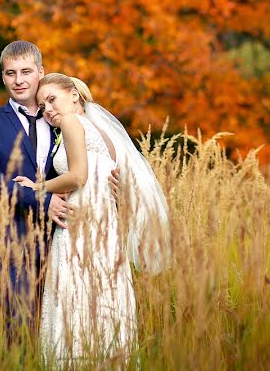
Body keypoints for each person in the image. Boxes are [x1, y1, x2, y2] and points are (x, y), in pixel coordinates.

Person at [14, 73, 171, 366]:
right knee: (103, 308)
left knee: (74, 307)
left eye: (52, 99)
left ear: (74, 94)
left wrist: (36, 187)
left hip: (79, 229)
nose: (48, 109)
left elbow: (78, 177)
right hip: (105, 231)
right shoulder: (103, 133)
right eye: (42, 105)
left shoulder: (73, 123)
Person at [0, 41, 77, 341]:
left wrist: (107, 177)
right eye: (10, 73)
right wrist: (42, 201)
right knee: (20, 329)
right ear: (3, 77)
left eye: (26, 72)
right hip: (10, 238)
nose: (19, 80)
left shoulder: (62, 119)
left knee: (57, 333)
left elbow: (83, 163)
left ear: (40, 72)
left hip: (62, 238)